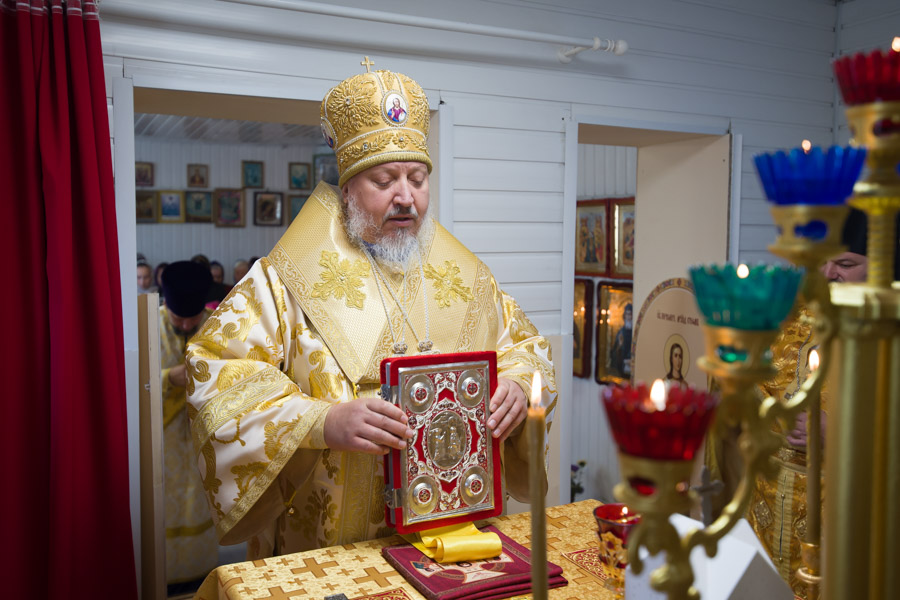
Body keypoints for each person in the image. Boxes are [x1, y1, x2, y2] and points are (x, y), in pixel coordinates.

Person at [185, 66, 557, 559]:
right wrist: (320, 422)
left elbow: (528, 349)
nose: (406, 196)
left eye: (417, 179)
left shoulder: (469, 277)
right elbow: (215, 375)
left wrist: (516, 385)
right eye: (385, 180)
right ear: (347, 191)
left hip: (456, 531)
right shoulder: (283, 279)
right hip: (332, 546)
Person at [706, 207, 899, 597]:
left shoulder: (888, 337)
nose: (828, 273)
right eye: (822, 261)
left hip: (844, 521)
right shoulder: (787, 316)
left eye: (845, 264)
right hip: (763, 507)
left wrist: (840, 436)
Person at [158, 261, 218, 592]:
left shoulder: (216, 327)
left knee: (198, 504)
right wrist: (169, 378)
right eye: (177, 318)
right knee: (162, 507)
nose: (184, 324)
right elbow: (128, 380)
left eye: (191, 318)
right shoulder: (148, 326)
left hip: (202, 440)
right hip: (161, 440)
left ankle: (201, 581)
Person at [610, 303, 633, 377]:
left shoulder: (635, 333)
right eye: (627, 314)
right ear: (624, 316)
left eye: (630, 314)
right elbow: (614, 353)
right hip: (622, 367)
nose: (628, 317)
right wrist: (620, 345)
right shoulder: (621, 332)